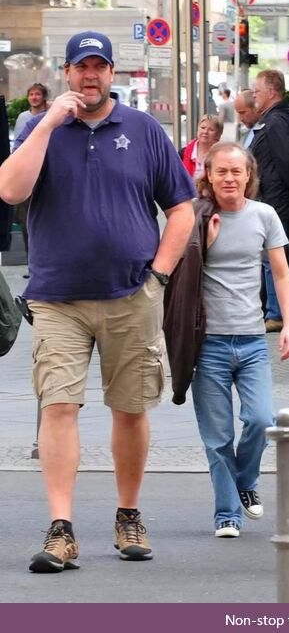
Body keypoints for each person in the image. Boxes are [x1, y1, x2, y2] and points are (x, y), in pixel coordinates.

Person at [0, 30, 196, 573]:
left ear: (113, 73)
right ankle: (61, 529)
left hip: (131, 294)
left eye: (100, 67)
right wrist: (47, 125)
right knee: (59, 405)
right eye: (81, 67)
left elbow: (181, 208)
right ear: (66, 73)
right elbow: (10, 191)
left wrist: (158, 276)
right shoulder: (40, 128)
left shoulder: (143, 129)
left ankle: (128, 513)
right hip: (57, 296)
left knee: (130, 408)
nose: (91, 76)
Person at [192, 142, 289, 537]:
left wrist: (287, 324)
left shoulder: (264, 215)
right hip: (209, 343)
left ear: (249, 175)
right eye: (222, 172)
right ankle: (227, 514)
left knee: (261, 419)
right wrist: (208, 243)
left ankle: (245, 482)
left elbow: (282, 274)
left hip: (252, 341)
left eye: (237, 171)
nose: (230, 178)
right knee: (218, 437)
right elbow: (180, 276)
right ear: (209, 175)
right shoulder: (196, 214)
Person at [250, 69, 289, 332]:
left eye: (257, 91)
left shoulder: (276, 121)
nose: (254, 95)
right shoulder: (278, 118)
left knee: (272, 258)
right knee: (272, 257)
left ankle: (276, 314)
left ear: (272, 92)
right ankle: (274, 312)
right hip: (276, 198)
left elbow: (288, 160)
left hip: (277, 200)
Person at [13, 83, 49, 277]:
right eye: (31, 94)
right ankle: (32, 265)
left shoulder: (53, 115)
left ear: (44, 97)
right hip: (29, 177)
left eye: (38, 94)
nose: (34, 97)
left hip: (48, 176)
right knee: (28, 224)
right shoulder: (23, 118)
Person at [180, 114, 223, 179]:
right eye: (202, 128)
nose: (205, 132)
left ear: (218, 135)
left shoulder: (222, 155)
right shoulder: (182, 153)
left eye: (211, 130)